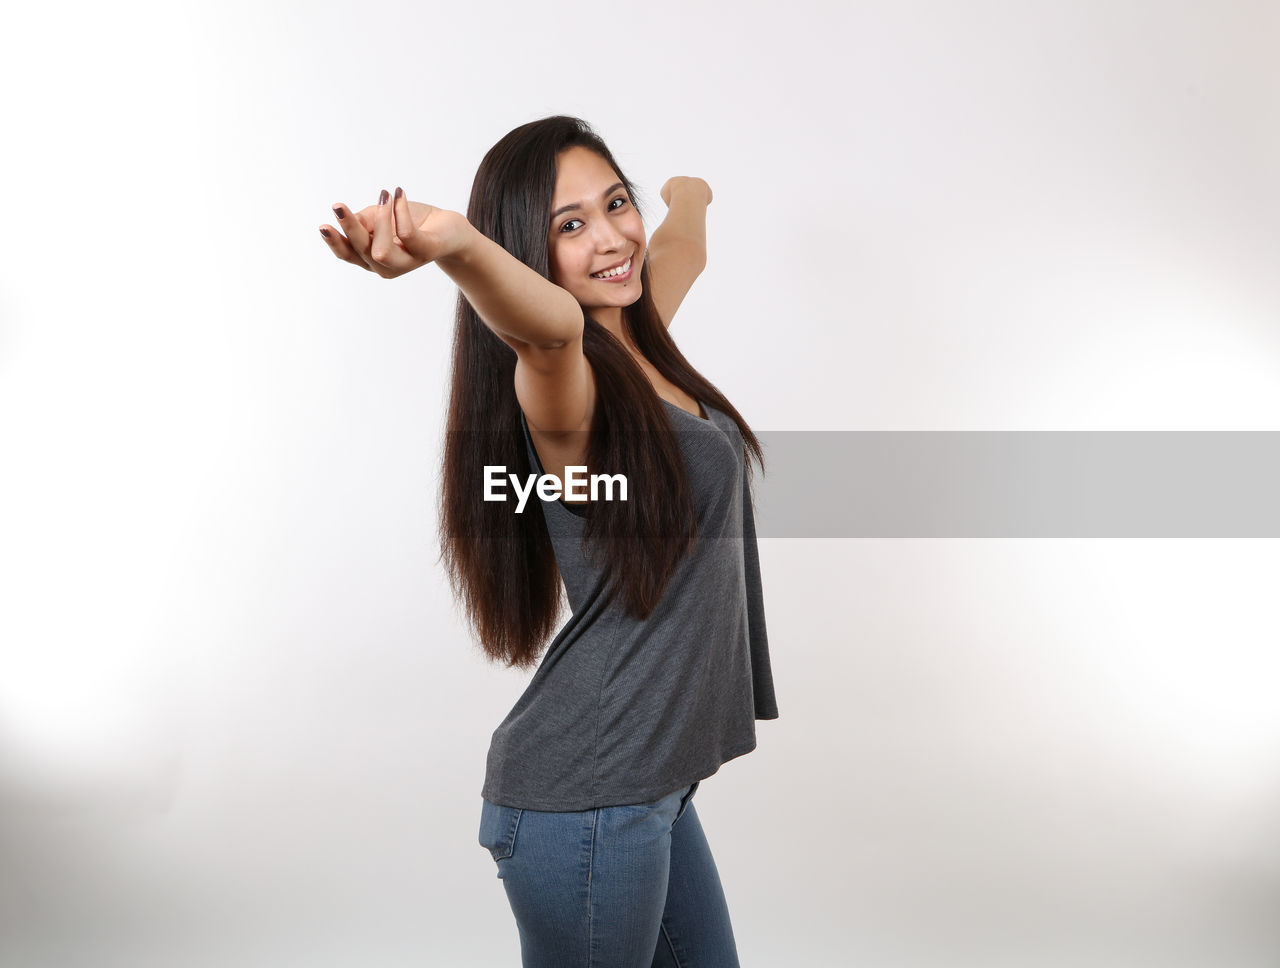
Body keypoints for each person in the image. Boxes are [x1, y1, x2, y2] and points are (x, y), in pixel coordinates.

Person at [319, 116, 778, 968]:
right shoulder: (565, 385)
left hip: (653, 790)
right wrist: (450, 238)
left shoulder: (638, 340)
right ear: (530, 253)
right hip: (589, 803)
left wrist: (685, 192)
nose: (611, 238)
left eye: (615, 204)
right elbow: (549, 329)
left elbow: (682, 249)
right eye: (571, 226)